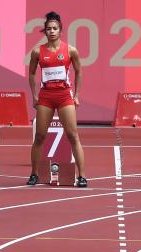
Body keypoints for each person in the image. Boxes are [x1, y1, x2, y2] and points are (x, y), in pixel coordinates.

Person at [27, 11, 87, 187]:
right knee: (39, 136)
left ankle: (82, 176)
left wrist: (76, 95)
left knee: (73, 135)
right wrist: (34, 95)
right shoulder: (38, 51)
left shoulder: (70, 50)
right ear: (44, 31)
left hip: (64, 96)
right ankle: (34, 174)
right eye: (48, 29)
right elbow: (31, 73)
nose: (52, 31)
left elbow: (79, 72)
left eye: (55, 28)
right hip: (46, 96)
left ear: (60, 31)